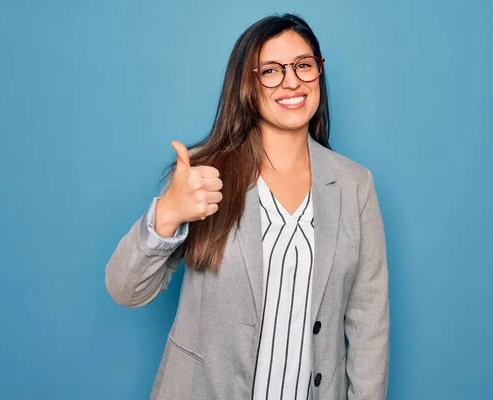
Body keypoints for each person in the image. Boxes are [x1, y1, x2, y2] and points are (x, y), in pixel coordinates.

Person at [105, 13, 389, 400]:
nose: (292, 81)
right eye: (271, 71)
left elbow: (369, 322)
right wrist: (168, 212)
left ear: (319, 74)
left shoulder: (356, 185)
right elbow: (125, 289)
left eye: (304, 66)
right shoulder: (204, 174)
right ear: (247, 86)